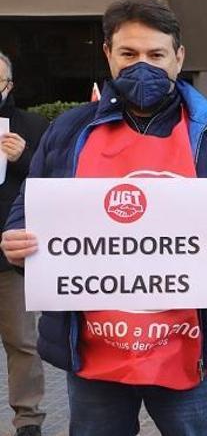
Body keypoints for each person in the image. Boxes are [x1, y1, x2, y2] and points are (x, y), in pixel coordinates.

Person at [1, 0, 207, 436]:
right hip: (94, 353)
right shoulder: (69, 131)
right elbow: (27, 211)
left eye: (156, 55)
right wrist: (17, 239)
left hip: (191, 353)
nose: (142, 66)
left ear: (179, 57)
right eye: (129, 54)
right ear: (108, 54)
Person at [0, 51, 48, 436]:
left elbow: (54, 181)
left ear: (9, 86)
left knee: (22, 342)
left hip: (10, 257)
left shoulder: (30, 126)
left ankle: (28, 419)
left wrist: (22, 158)